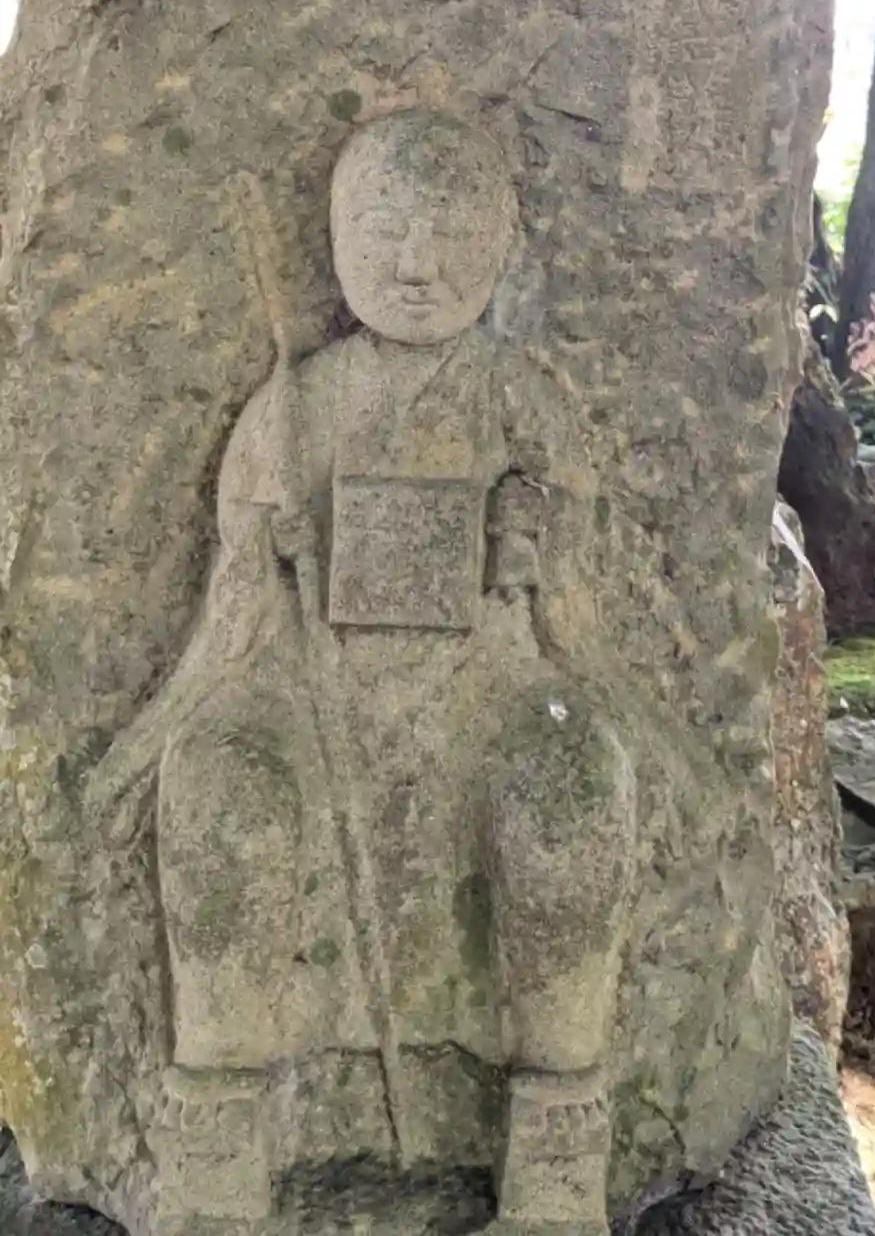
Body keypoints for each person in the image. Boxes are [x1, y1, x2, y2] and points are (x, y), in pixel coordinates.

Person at [88, 108, 635, 1236]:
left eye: (449, 233)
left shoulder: (522, 400)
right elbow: (235, 618)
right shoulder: (296, 406)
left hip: (485, 696)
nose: (416, 266)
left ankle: (555, 1152)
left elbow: (572, 608)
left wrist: (530, 548)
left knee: (573, 790)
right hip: (312, 695)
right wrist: (268, 551)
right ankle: (219, 1155)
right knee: (221, 791)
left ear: (501, 240)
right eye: (385, 231)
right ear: (338, 235)